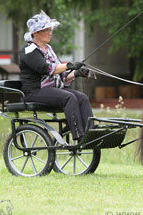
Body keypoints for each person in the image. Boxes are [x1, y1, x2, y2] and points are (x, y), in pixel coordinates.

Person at [19, 10, 93, 142]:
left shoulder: (49, 49)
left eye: (50, 29)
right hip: (34, 91)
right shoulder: (29, 51)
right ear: (35, 33)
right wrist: (69, 65)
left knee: (82, 97)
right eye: (46, 30)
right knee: (69, 97)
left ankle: (91, 132)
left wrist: (76, 73)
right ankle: (79, 135)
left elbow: (62, 75)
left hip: (52, 90)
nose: (50, 32)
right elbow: (47, 69)